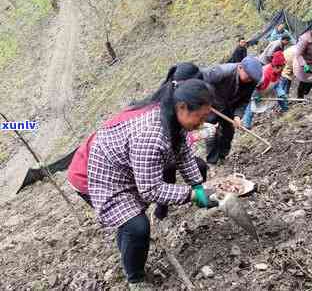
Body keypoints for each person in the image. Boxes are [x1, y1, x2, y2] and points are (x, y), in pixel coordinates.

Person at [68, 79, 216, 289]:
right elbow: (151, 189)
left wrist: (198, 186)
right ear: (182, 107)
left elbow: (183, 156)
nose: (201, 124)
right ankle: (135, 279)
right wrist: (192, 195)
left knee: (130, 226)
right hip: (93, 174)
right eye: (200, 118)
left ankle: (129, 250)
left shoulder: (174, 119)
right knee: (136, 227)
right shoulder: (151, 133)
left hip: (122, 170)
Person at [201, 56, 263, 164]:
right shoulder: (221, 72)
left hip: (229, 107)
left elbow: (245, 100)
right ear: (240, 68)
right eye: (248, 76)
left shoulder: (251, 82)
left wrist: (238, 116)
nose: (249, 80)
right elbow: (200, 78)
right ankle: (212, 161)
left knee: (228, 132)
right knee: (211, 133)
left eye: (251, 79)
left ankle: (222, 156)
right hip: (212, 106)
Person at [242, 51, 288, 129]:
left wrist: (281, 92)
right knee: (251, 107)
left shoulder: (278, 71)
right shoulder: (264, 74)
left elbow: (277, 84)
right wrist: (254, 96)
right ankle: (247, 125)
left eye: (281, 67)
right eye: (279, 68)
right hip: (257, 91)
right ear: (274, 66)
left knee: (281, 97)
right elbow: (253, 86)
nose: (280, 70)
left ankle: (286, 109)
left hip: (269, 88)